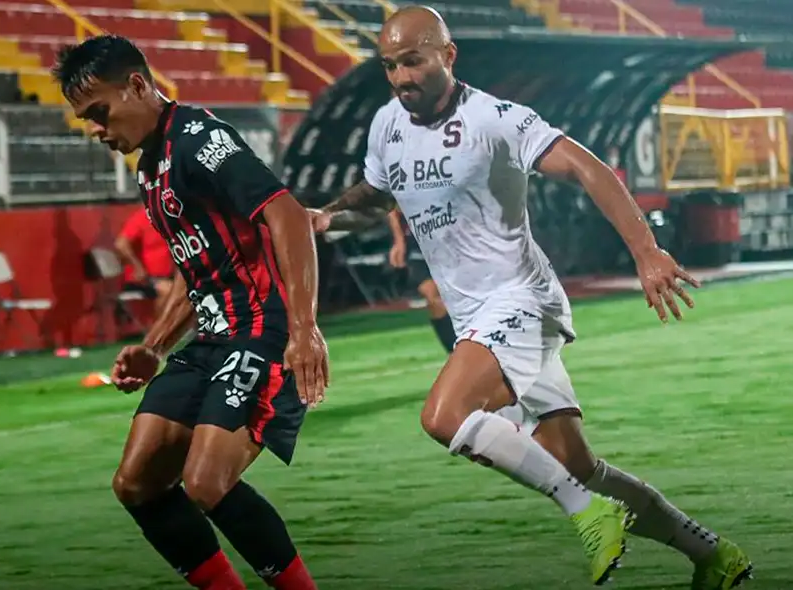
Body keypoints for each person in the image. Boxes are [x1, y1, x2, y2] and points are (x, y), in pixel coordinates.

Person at [309, 6, 751, 589]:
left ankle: (587, 515)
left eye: (413, 62)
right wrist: (326, 219)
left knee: (444, 416)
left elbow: (591, 169)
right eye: (390, 66)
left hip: (521, 301)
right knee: (579, 466)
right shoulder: (387, 124)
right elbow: (377, 198)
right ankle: (712, 554)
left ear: (447, 54)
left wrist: (646, 252)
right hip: (478, 317)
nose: (401, 77)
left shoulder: (497, 119)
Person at [53, 35, 328, 590]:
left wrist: (304, 331)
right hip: (211, 340)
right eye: (86, 119)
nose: (96, 129)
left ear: (136, 85)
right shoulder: (150, 166)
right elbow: (195, 266)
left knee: (206, 481)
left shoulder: (200, 140)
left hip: (262, 331)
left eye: (99, 112)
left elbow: (288, 216)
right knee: (137, 482)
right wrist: (154, 346)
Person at [386, 207, 455, 352]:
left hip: (451, 238)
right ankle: (454, 352)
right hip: (418, 241)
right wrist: (399, 241)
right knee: (431, 296)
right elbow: (392, 207)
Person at [114, 206, 176, 316]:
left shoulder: (172, 218)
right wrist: (138, 267)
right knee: (170, 291)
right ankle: (162, 329)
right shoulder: (143, 217)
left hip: (168, 277)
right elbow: (120, 244)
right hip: (144, 279)